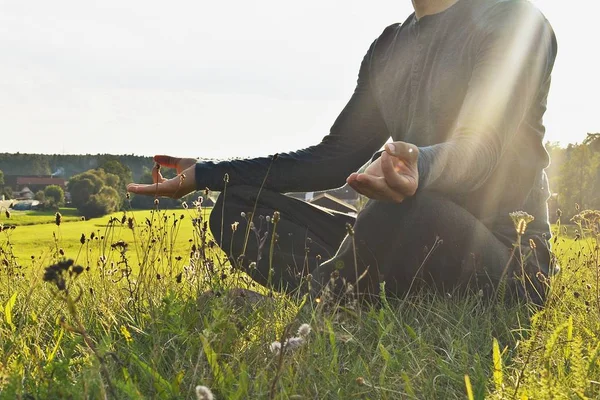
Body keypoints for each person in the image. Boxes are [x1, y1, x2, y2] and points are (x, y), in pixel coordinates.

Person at [128, 0, 557, 304]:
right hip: (394, 232)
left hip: (505, 257)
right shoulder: (389, 47)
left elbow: (479, 150)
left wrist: (419, 166)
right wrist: (205, 173)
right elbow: (331, 159)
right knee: (235, 207)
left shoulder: (514, 23)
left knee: (405, 208)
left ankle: (317, 302)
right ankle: (357, 287)